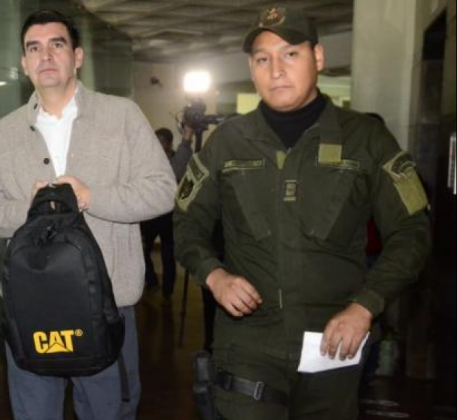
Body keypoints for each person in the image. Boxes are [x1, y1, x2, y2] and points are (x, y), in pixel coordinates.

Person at [174, 6, 431, 420]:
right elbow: (187, 223)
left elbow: (412, 232)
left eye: (290, 54)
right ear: (251, 68)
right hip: (248, 343)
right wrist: (214, 274)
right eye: (263, 59)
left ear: (319, 58)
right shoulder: (227, 143)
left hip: (333, 342)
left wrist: (365, 306)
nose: (276, 70)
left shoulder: (366, 139)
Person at [0, 10, 176, 420]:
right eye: (34, 48)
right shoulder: (5, 132)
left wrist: (90, 196)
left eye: (57, 44)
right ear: (24, 64)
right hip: (31, 311)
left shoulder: (122, 116)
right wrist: (26, 210)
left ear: (77, 56)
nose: (45, 55)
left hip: (107, 306)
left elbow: (163, 191)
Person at [141, 127, 193, 303]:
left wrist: (187, 138)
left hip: (169, 215)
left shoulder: (175, 160)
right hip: (149, 214)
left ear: (169, 144)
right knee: (142, 251)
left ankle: (168, 291)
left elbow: (176, 171)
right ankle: (152, 282)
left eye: (160, 142)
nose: (156, 145)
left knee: (168, 254)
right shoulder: (148, 160)